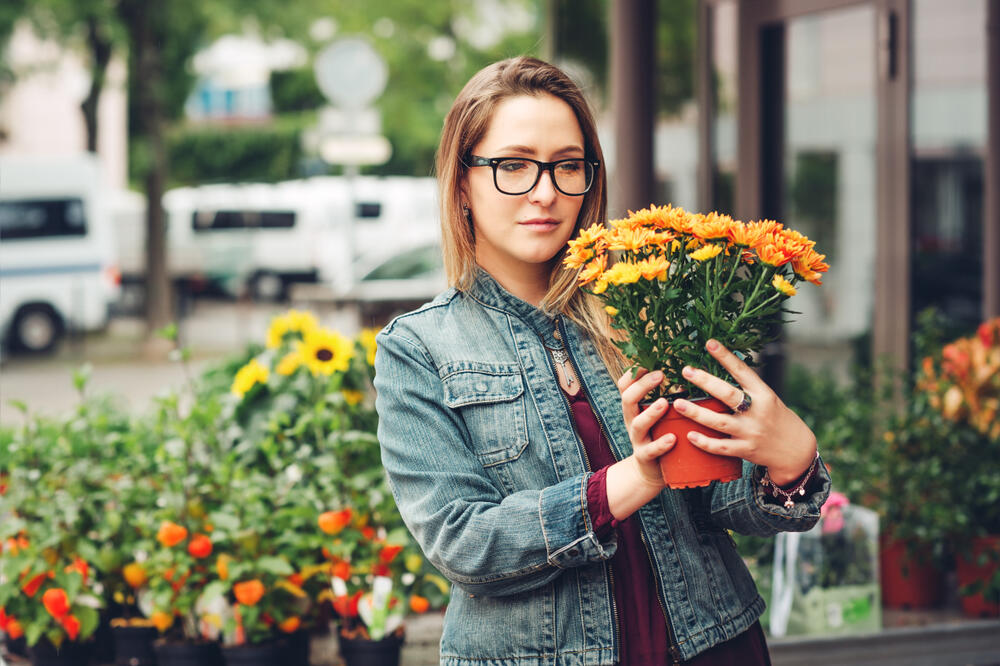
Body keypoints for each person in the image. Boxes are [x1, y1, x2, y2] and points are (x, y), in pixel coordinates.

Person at [373, 56, 830, 666]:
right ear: (462, 181)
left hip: (712, 645)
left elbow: (715, 499)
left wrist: (790, 464)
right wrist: (633, 480)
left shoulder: (644, 309)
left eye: (568, 166)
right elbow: (464, 543)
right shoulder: (419, 348)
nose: (545, 191)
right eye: (513, 165)